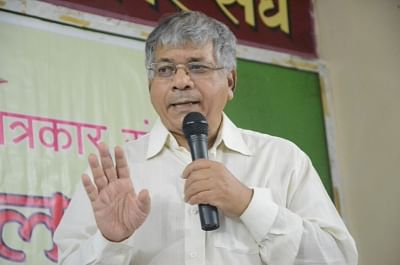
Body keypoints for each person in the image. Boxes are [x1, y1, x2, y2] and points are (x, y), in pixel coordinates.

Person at [54, 11, 358, 265]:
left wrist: (248, 204)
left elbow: (338, 258)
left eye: (197, 67)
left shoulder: (282, 159)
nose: (181, 82)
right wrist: (111, 240)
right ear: (150, 85)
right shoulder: (118, 174)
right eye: (165, 69)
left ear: (230, 81)